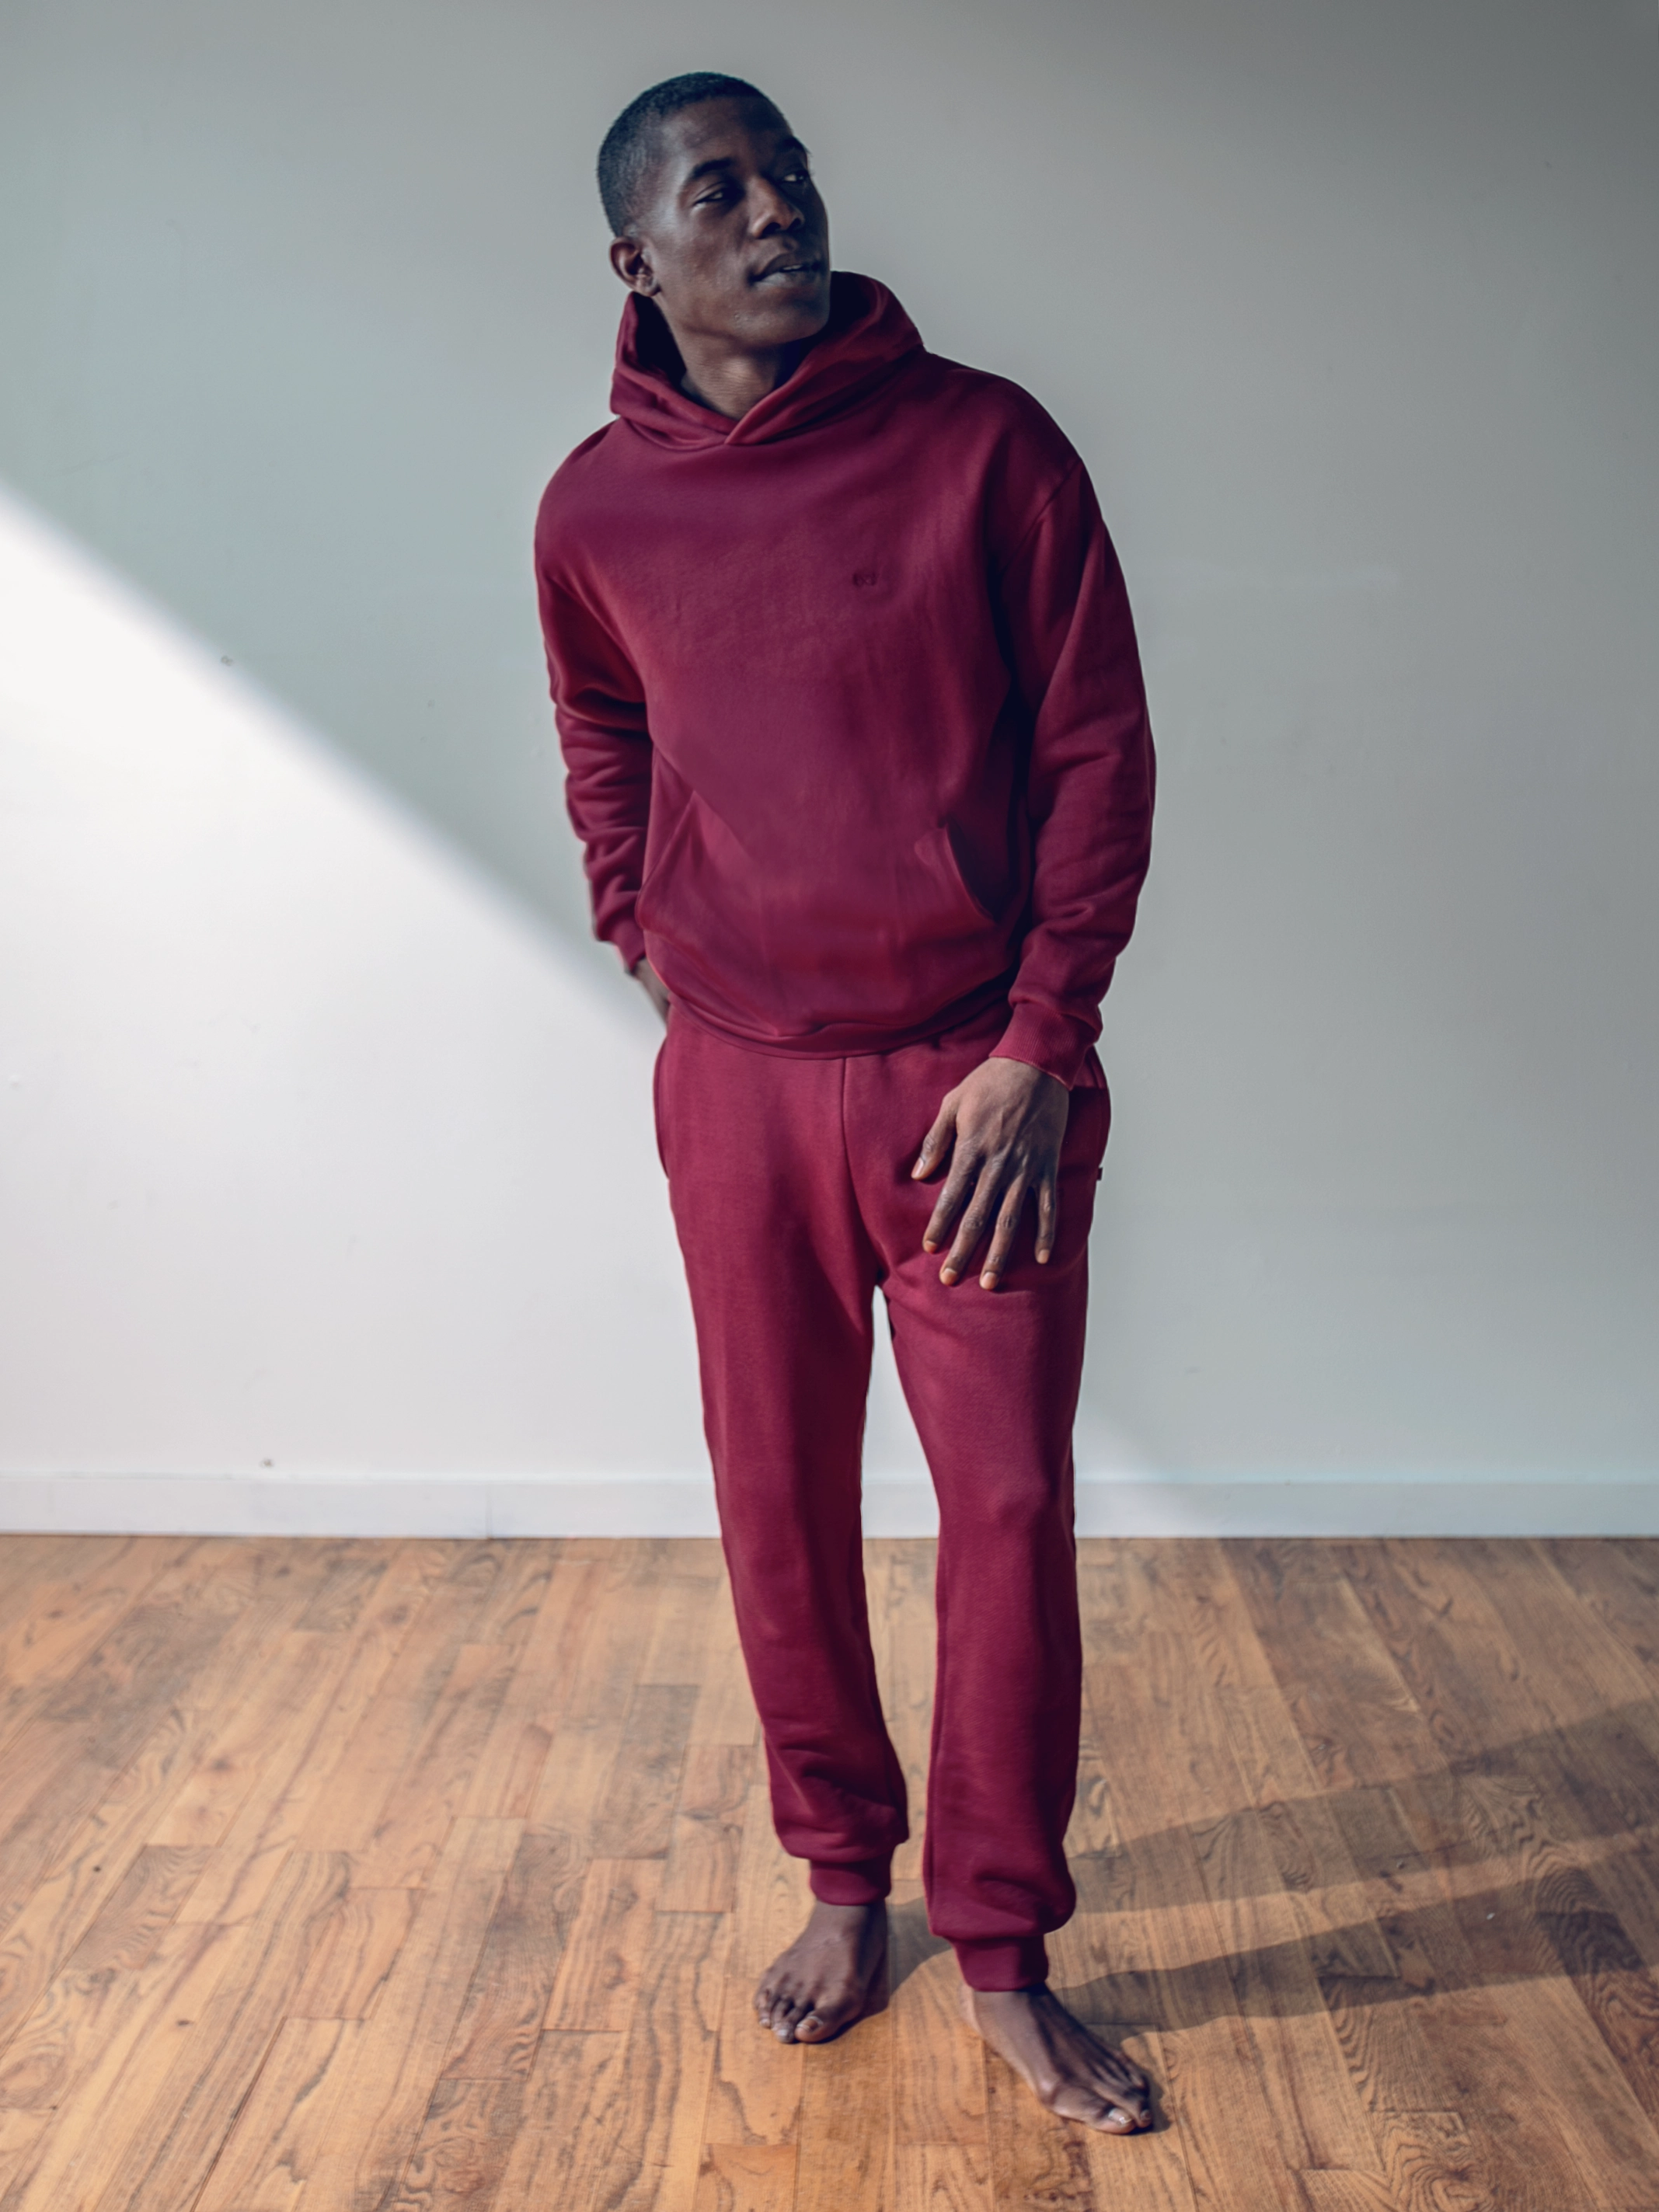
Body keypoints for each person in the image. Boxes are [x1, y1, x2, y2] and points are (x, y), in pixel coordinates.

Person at [535, 71, 1156, 2135]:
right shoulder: (592, 510)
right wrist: (638, 915)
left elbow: (1095, 751)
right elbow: (601, 725)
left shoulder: (984, 446)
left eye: (789, 176)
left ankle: (997, 1940)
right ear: (639, 256)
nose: (776, 211)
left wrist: (1036, 1048)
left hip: (971, 1088)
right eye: (723, 190)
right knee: (775, 1500)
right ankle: (839, 1882)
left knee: (1001, 1511)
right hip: (735, 1084)